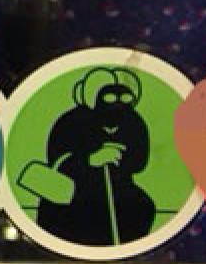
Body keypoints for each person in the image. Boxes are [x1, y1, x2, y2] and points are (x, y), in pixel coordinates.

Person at [35, 68, 154, 246]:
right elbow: (58, 160)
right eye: (110, 97)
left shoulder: (134, 121)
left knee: (143, 207)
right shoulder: (72, 121)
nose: (117, 104)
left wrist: (121, 158)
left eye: (124, 98)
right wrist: (90, 160)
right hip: (74, 189)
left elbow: (139, 161)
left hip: (119, 187)